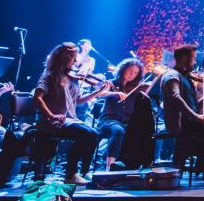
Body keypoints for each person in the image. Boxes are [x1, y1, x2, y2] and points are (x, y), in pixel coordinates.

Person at [33, 42, 112, 185]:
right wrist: (51, 115)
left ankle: (83, 171)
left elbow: (79, 100)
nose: (76, 61)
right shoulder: (49, 76)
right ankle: (70, 174)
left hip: (69, 119)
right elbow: (37, 97)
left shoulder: (71, 78)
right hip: (52, 121)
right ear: (64, 58)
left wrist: (98, 91)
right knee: (85, 133)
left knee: (93, 134)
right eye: (73, 58)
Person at [160, 44, 204, 185]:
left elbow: (195, 106)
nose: (194, 62)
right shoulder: (172, 76)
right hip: (180, 123)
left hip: (190, 120)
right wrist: (195, 116)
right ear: (184, 58)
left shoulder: (186, 77)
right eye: (193, 59)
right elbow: (175, 97)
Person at [96, 58, 146, 171]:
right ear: (123, 69)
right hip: (108, 121)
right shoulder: (112, 83)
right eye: (130, 70)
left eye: (135, 73)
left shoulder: (137, 87)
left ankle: (133, 166)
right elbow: (100, 94)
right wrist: (115, 93)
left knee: (141, 131)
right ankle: (109, 167)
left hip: (126, 122)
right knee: (118, 130)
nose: (132, 74)